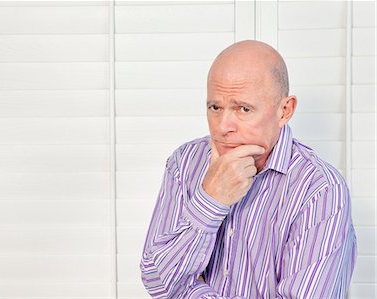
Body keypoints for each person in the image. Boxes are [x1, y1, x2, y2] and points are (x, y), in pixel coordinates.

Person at [140, 40, 357, 299]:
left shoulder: (321, 189)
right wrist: (210, 201)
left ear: (285, 111)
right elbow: (157, 281)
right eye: (215, 107)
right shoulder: (184, 163)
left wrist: (189, 286)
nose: (223, 126)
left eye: (243, 109)